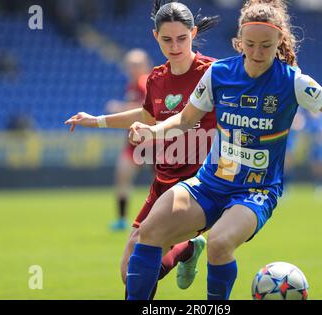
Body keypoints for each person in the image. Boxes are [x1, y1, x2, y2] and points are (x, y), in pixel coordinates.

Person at [125, 0, 322, 300]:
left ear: (279, 42)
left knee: (220, 243)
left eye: (266, 45)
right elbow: (185, 120)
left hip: (255, 192)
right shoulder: (218, 74)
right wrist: (151, 131)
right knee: (149, 231)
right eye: (250, 44)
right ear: (239, 41)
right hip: (209, 183)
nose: (258, 53)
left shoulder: (293, 82)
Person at [65, 0, 220, 298]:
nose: (175, 46)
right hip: (162, 182)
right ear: (155, 37)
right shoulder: (157, 79)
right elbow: (146, 117)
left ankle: (185, 246)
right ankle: (186, 249)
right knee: (128, 272)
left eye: (182, 38)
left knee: (141, 265)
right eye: (166, 39)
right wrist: (96, 120)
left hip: (200, 185)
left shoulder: (215, 73)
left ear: (194, 33)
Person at [106, 49, 152, 231]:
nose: (133, 69)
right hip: (134, 142)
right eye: (130, 65)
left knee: (160, 182)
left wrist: (119, 107)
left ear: (145, 65)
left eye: (137, 65)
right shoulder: (132, 86)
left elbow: (147, 109)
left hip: (151, 143)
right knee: (122, 176)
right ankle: (122, 220)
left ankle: (154, 219)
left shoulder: (145, 82)